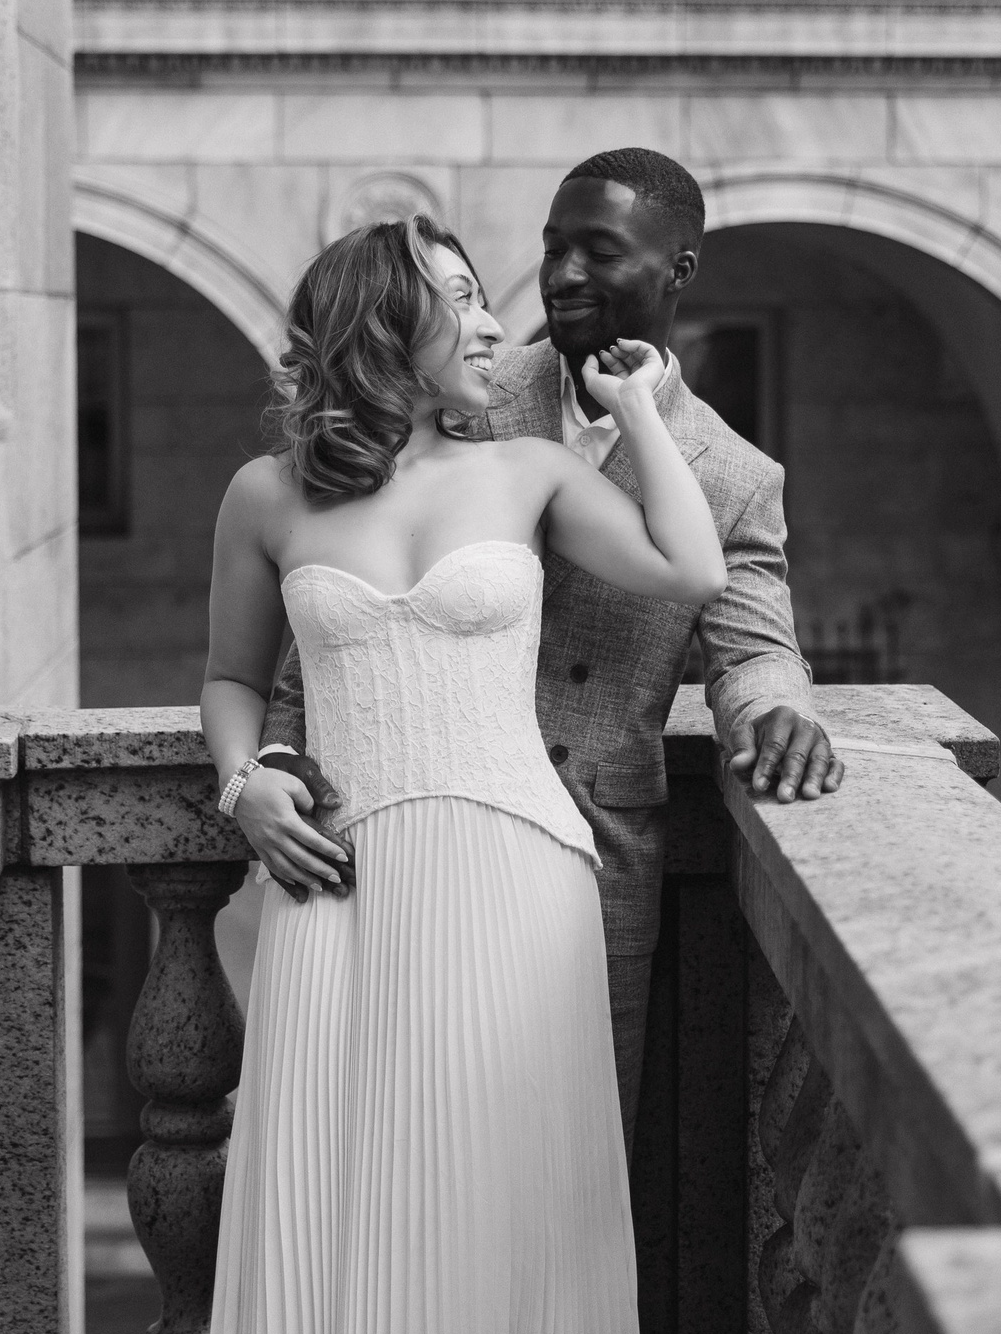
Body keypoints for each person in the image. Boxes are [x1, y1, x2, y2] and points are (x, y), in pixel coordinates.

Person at [150, 214, 726, 1334]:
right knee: (338, 1217)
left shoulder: (529, 472)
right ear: (379, 321)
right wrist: (243, 784)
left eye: (485, 298)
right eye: (459, 298)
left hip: (514, 880)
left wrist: (639, 408)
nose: (490, 321)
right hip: (337, 893)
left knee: (500, 1222)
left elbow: (689, 566)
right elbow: (231, 676)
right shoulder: (266, 493)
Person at [255, 147, 843, 1143]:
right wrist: (269, 755)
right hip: (383, 841)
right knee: (370, 1138)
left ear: (679, 270)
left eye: (598, 251)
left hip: (592, 859)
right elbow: (333, 598)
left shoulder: (734, 474)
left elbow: (750, 643)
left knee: (556, 1161)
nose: (562, 275)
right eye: (552, 246)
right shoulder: (458, 389)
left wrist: (778, 710)